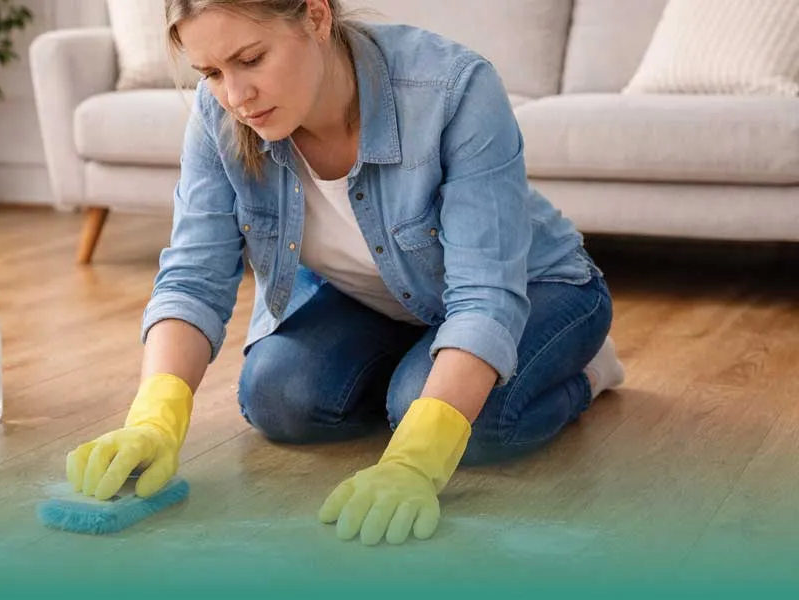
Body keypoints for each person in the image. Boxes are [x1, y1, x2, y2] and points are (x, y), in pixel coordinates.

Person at [64, 0, 626, 546]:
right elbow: (192, 277)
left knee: (464, 428)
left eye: (252, 59)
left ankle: (583, 370)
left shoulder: (452, 89)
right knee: (278, 398)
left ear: (314, 14)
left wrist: (413, 459)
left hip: (534, 288)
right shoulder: (220, 115)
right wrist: (152, 419)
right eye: (211, 72)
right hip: (373, 296)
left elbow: (485, 297)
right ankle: (420, 373)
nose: (236, 96)